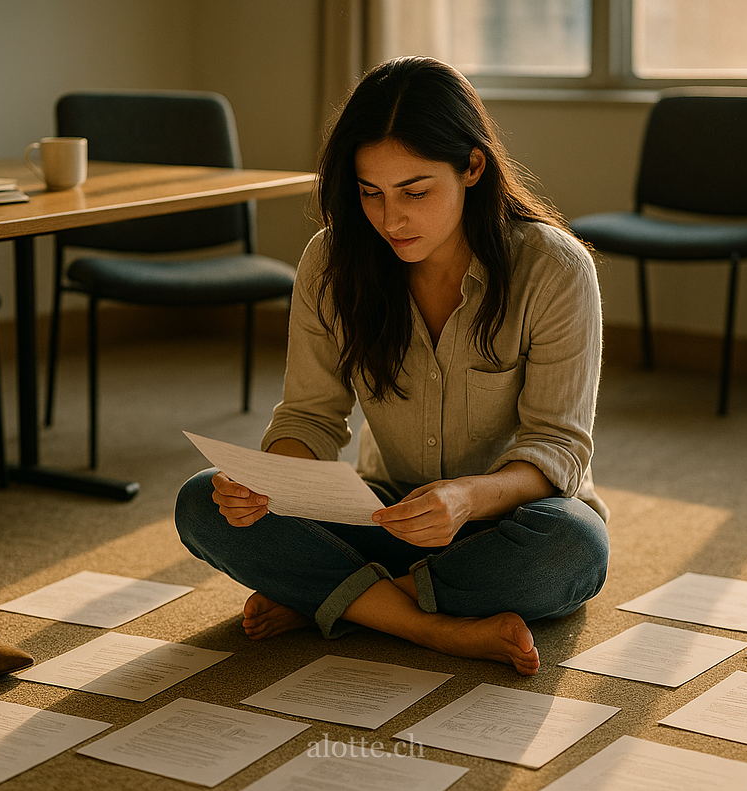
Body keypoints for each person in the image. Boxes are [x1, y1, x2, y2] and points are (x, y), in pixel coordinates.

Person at [175, 56, 608, 676]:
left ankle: (338, 600)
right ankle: (431, 626)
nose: (390, 219)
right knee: (201, 503)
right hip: (383, 512)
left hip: (506, 518)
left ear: (473, 167)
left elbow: (557, 447)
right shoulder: (331, 263)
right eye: (369, 193)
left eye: (416, 191)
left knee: (575, 549)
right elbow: (309, 416)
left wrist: (466, 498)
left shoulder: (555, 268)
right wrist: (268, 482)